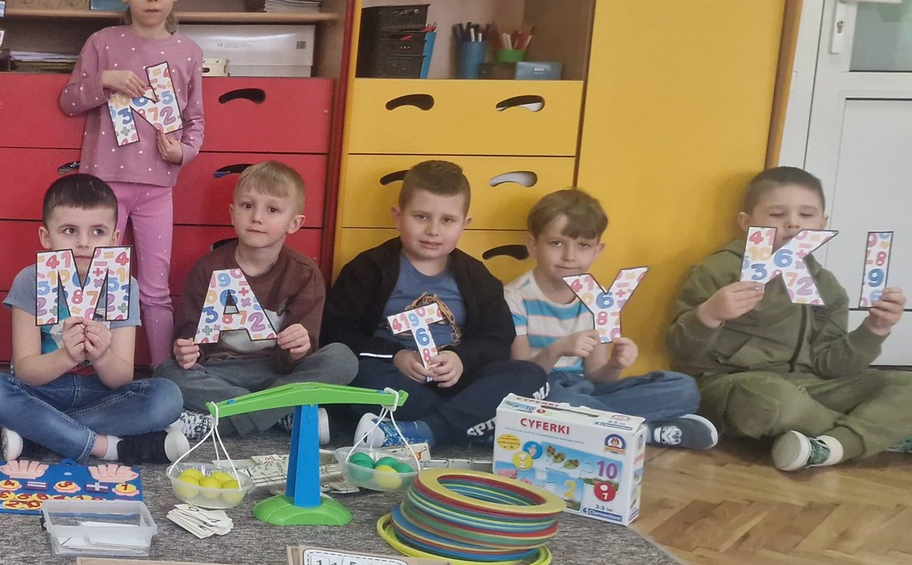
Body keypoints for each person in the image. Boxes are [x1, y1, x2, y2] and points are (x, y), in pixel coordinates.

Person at [668, 166, 912, 470]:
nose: (793, 223)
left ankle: (831, 446)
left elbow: (831, 366)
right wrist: (709, 314)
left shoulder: (827, 286)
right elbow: (682, 351)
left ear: (822, 224)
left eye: (806, 215)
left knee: (906, 385)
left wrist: (875, 329)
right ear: (747, 223)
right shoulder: (720, 271)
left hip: (810, 385)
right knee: (774, 401)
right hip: (732, 384)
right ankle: (875, 435)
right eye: (777, 214)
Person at [322, 159, 547, 447]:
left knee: (532, 375)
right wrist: (396, 356)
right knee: (352, 374)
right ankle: (464, 423)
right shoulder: (368, 269)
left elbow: (498, 339)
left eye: (447, 220)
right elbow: (337, 332)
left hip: (458, 382)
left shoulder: (476, 276)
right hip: (395, 382)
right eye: (421, 217)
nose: (433, 230)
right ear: (398, 217)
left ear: (464, 224)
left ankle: (427, 429)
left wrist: (460, 359)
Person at [0, 173, 190, 465]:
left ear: (114, 239)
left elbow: (121, 377)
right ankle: (106, 447)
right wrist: (67, 356)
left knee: (167, 397)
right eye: (70, 230)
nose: (84, 243)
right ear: (46, 237)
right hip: (42, 392)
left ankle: (39, 434)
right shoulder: (31, 280)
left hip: (102, 395)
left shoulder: (123, 284)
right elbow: (26, 372)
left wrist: (101, 356)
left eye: (97, 231)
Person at [59, 0, 206, 364]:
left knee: (155, 290)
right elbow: (69, 101)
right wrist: (105, 80)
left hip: (158, 188)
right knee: (98, 284)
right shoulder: (103, 42)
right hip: (103, 190)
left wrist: (183, 152)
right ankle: (93, 369)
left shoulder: (188, 52)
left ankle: (162, 374)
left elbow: (196, 121)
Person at [155, 161, 358, 441]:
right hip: (221, 373)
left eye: (272, 210)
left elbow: (303, 349)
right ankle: (282, 413)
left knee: (343, 359)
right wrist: (187, 350)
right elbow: (190, 335)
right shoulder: (207, 268)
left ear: (294, 223)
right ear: (232, 213)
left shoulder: (304, 273)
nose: (257, 217)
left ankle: (226, 420)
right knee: (166, 373)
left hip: (276, 372)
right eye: (247, 206)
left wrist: (299, 349)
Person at [506, 188, 717, 448]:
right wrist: (557, 350)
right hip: (543, 391)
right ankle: (644, 431)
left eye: (583, 246)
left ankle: (603, 427)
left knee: (684, 388)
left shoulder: (599, 299)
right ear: (533, 246)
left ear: (597, 250)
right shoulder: (515, 297)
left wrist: (615, 364)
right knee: (561, 403)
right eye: (557, 243)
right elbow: (520, 379)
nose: (570, 256)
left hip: (586, 391)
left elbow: (597, 376)